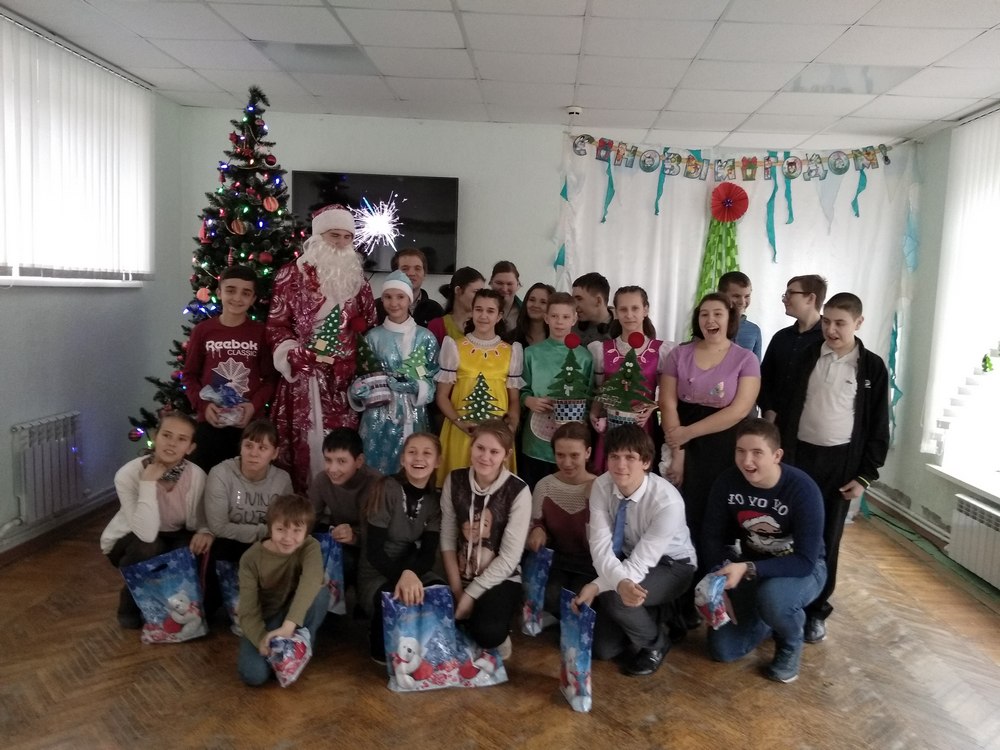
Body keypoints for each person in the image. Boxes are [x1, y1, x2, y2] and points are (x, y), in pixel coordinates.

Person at [778, 292, 889, 645]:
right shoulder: (808, 356)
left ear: (858, 323)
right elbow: (787, 406)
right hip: (799, 459)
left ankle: (816, 610)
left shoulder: (871, 368)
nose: (831, 329)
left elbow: (878, 425)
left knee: (828, 537)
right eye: (827, 321)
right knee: (789, 533)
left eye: (840, 323)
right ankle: (784, 605)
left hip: (840, 465)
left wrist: (865, 475)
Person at [701, 418, 826, 684]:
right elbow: (711, 537)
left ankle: (790, 640)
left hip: (803, 569)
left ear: (777, 455)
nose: (747, 461)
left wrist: (748, 568)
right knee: (723, 650)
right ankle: (771, 618)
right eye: (740, 451)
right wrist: (718, 583)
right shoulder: (727, 482)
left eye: (757, 452)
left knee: (774, 599)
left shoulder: (802, 489)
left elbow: (805, 561)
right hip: (752, 567)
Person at [266, 204, 378, 492]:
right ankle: (301, 507)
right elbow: (277, 324)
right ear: (318, 236)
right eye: (334, 235)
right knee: (306, 442)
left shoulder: (357, 279)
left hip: (341, 383)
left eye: (347, 237)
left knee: (340, 446)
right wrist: (291, 353)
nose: (341, 243)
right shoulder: (290, 275)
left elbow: (368, 321)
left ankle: (340, 505)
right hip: (302, 378)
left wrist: (352, 353)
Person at [572, 425, 696, 676]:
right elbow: (600, 547)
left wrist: (597, 585)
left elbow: (641, 563)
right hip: (628, 559)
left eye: (630, 457)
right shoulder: (602, 486)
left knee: (616, 598)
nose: (621, 465)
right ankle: (660, 612)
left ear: (646, 462)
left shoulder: (667, 502)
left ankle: (656, 644)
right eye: (614, 456)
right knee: (604, 649)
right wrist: (608, 583)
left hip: (672, 566)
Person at [659, 293, 760, 554]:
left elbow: (739, 410)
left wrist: (688, 433)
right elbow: (667, 403)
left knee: (716, 514)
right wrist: (679, 453)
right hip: (679, 440)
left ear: (730, 319)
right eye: (704, 314)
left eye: (717, 314)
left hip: (723, 446)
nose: (710, 320)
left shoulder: (746, 359)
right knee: (679, 511)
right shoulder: (678, 354)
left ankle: (714, 568)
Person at [100, 412, 213, 629]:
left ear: (190, 448)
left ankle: (166, 609)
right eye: (167, 435)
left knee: (186, 550)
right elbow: (146, 533)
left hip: (175, 533)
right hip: (132, 537)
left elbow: (202, 517)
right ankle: (130, 602)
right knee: (151, 546)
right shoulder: (128, 474)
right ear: (155, 436)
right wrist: (148, 484)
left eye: (181, 439)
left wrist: (205, 530)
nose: (172, 443)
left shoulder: (196, 476)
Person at [440, 421, 532, 658]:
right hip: (457, 573)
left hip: (499, 577)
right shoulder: (455, 479)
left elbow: (510, 558)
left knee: (487, 632)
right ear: (471, 446)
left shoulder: (518, 490)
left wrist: (471, 594)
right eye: (480, 448)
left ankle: (499, 625)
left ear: (506, 455)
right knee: (433, 619)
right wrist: (458, 590)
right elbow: (447, 538)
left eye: (494, 451)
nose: (485, 457)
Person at [358, 433, 444, 663]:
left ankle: (425, 650)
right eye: (412, 452)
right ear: (403, 459)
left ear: (437, 461)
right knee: (394, 602)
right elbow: (374, 552)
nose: (419, 458)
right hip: (378, 571)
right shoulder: (387, 488)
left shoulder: (434, 501)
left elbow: (428, 553)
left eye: (427, 453)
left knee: (440, 594)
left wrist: (411, 573)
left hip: (412, 567)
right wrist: (403, 577)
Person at [183, 265, 276, 473]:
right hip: (210, 423)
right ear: (219, 292)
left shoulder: (261, 333)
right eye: (231, 290)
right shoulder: (203, 331)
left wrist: (252, 407)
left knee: (245, 480)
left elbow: (271, 379)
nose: (237, 298)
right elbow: (189, 375)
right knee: (205, 478)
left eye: (246, 293)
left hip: (248, 426)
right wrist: (204, 406)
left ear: (253, 299)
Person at [349, 271, 439, 475]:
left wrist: (416, 386)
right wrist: (358, 390)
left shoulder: (425, 338)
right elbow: (360, 375)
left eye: (400, 297)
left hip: (413, 416)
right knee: (375, 473)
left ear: (409, 299)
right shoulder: (372, 337)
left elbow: (434, 378)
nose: (394, 303)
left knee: (411, 469)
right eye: (388, 297)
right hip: (377, 417)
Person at [237, 493, 329, 686]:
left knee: (320, 592)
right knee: (253, 675)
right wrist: (261, 640)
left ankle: (302, 646)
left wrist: (289, 625)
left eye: (297, 530)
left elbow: (311, 579)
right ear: (270, 527)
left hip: (293, 616)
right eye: (280, 529)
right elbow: (248, 611)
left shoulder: (310, 547)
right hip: (267, 618)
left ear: (306, 532)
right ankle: (279, 655)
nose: (288, 538)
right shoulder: (251, 559)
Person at [435, 288, 523, 485]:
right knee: (458, 485)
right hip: (461, 431)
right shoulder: (454, 347)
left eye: (490, 311)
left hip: (497, 435)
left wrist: (511, 425)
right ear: (472, 311)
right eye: (479, 309)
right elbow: (442, 396)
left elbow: (514, 399)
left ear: (499, 316)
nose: (483, 316)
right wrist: (460, 423)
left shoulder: (511, 352)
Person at [588, 286, 673, 473]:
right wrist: (594, 411)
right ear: (616, 313)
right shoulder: (602, 350)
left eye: (635, 308)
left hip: (643, 428)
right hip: (611, 427)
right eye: (623, 309)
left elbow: (669, 394)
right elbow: (601, 389)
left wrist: (653, 406)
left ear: (645, 310)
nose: (629, 315)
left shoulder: (661, 351)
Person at [520, 291, 594, 489]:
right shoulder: (531, 353)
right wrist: (528, 400)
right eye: (554, 316)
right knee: (535, 492)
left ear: (574, 319)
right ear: (546, 318)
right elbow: (520, 389)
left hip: (572, 439)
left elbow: (589, 398)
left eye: (565, 316)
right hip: (535, 440)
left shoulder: (584, 357)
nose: (559, 322)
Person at [525, 422, 597, 617]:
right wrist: (537, 530)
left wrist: (591, 501)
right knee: (550, 596)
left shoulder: (600, 487)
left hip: (591, 564)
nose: (567, 462)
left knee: (579, 600)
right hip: (557, 561)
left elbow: (603, 540)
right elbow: (535, 523)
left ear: (588, 453)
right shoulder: (545, 486)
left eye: (574, 455)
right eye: (560, 455)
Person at [204, 419, 293, 563]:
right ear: (241, 447)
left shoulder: (282, 480)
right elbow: (218, 528)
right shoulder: (221, 473)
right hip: (229, 544)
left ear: (275, 453)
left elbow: (286, 526)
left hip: (269, 546)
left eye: (262, 448)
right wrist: (266, 532)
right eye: (248, 446)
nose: (253, 453)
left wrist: (273, 535)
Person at [308, 427, 382, 589]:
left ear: (359, 461)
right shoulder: (322, 480)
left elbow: (380, 536)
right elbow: (310, 518)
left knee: (345, 562)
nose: (332, 469)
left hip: (371, 546)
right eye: (328, 460)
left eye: (341, 461)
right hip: (338, 538)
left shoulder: (376, 484)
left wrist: (355, 537)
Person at [759, 274, 827, 424]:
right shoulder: (781, 337)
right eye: (785, 294)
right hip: (775, 423)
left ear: (810, 298)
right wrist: (768, 409)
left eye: (790, 293)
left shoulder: (828, 340)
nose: (785, 299)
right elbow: (764, 378)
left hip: (811, 426)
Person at [374, 248, 444, 327]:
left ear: (424, 274)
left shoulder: (435, 309)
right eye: (405, 269)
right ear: (394, 273)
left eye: (417, 268)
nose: (411, 273)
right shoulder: (376, 307)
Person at [427, 267, 485, 345]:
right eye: (476, 292)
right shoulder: (437, 326)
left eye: (482, 293)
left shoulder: (484, 324)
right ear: (458, 291)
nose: (480, 298)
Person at [718, 271, 762, 361]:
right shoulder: (709, 326)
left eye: (747, 296)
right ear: (720, 295)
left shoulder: (754, 330)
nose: (742, 302)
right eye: (736, 296)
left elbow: (756, 366)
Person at [571, 272, 614, 346]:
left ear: (598, 301)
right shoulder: (571, 327)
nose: (574, 305)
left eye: (579, 299)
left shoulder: (622, 329)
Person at [505, 282, 553, 348]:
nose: (536, 305)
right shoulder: (509, 339)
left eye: (543, 302)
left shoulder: (558, 339)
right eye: (532, 300)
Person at [489, 260, 522, 331]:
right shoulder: (478, 309)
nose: (504, 289)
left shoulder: (526, 312)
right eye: (499, 283)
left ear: (518, 284)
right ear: (491, 283)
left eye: (509, 284)